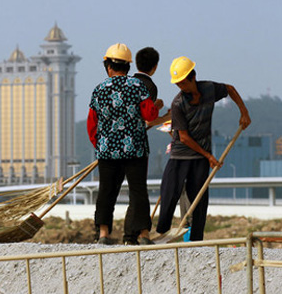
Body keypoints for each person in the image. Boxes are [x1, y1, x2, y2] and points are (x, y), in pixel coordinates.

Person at [156, 57, 251, 241]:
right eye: (177, 84)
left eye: (182, 82)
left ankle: (196, 238)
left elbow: (230, 89)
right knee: (169, 192)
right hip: (180, 155)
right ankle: (162, 231)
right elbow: (183, 137)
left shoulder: (209, 89)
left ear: (192, 78)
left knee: (198, 198)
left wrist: (244, 112)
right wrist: (209, 155)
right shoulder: (178, 104)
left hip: (199, 158)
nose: (180, 87)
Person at [87, 43, 160, 245]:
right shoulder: (138, 87)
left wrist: (100, 145)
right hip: (135, 150)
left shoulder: (99, 90)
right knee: (138, 192)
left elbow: (92, 123)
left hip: (107, 151)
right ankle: (143, 234)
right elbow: (150, 115)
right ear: (128, 67)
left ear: (108, 66)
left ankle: (103, 233)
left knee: (106, 192)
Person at [134, 47, 192, 233]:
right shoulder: (149, 86)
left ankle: (186, 229)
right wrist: (164, 117)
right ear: (155, 67)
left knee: (183, 192)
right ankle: (153, 230)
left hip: (187, 154)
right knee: (168, 189)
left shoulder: (129, 83)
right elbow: (148, 119)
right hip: (141, 146)